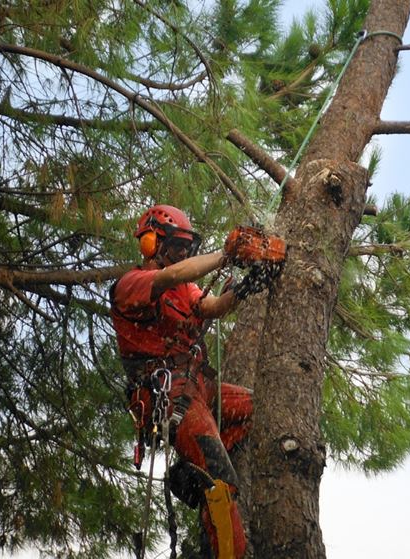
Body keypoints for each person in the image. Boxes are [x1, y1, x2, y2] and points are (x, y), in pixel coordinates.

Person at [110, 204, 267, 559]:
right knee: (220, 481)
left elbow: (210, 307)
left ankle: (203, 464)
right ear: (152, 242)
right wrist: (227, 254)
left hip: (199, 387)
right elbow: (171, 276)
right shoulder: (131, 284)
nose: (182, 252)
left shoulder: (187, 288)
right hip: (168, 394)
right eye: (176, 244)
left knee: (261, 409)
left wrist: (244, 290)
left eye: (186, 246)